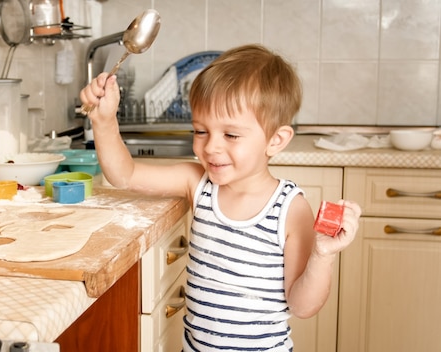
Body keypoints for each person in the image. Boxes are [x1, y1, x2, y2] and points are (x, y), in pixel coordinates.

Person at [80, 44, 362, 351]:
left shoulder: (290, 210)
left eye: (230, 135)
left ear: (275, 140)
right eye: (201, 131)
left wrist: (323, 254)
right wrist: (104, 121)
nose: (211, 147)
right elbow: (124, 175)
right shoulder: (197, 182)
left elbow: (303, 306)